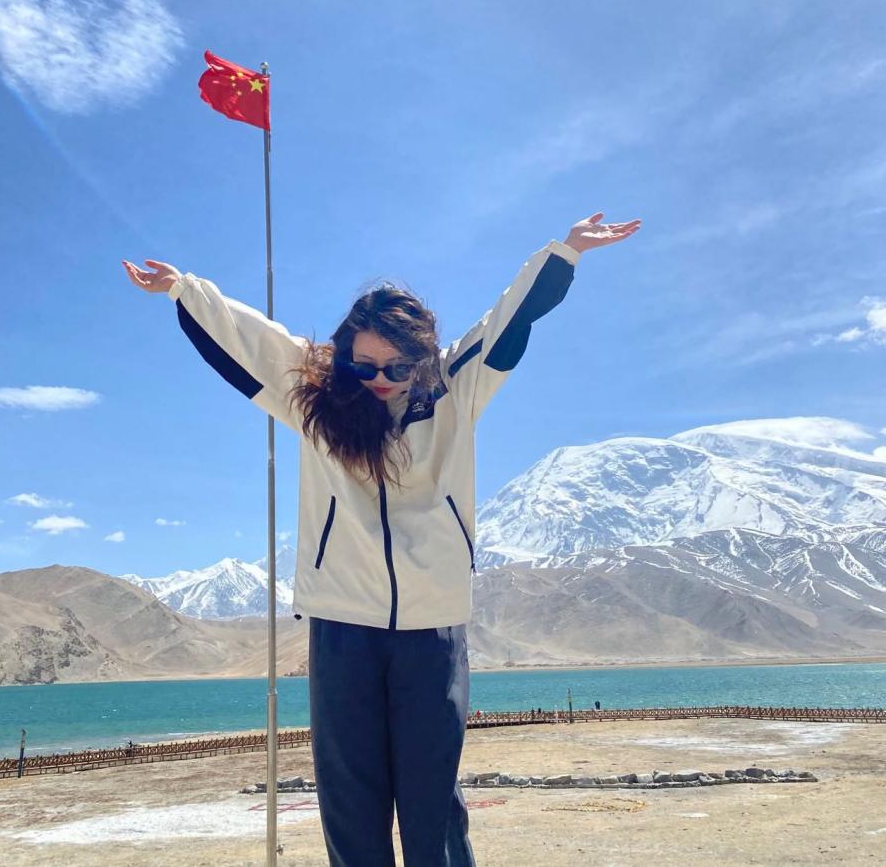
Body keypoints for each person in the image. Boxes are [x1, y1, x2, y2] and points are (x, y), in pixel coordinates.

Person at [122, 212, 640, 866]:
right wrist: (184, 289)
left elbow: (506, 322)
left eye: (397, 365)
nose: (381, 379)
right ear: (344, 355)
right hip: (343, 628)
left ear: (422, 359)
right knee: (351, 803)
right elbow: (250, 340)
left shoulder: (454, 390)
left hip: (432, 628)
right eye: (364, 365)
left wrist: (563, 254)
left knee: (432, 803)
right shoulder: (315, 396)